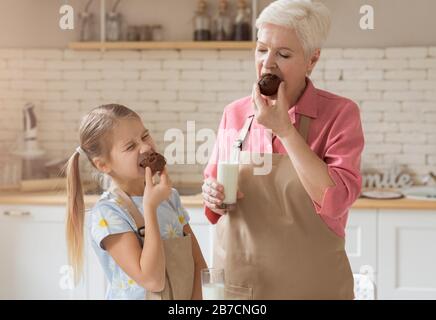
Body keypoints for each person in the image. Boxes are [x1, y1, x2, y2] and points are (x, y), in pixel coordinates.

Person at [202, 0, 364, 299]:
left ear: (312, 60)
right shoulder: (235, 113)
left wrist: (285, 130)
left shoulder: (340, 114)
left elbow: (335, 200)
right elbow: (214, 201)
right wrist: (212, 196)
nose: (268, 63)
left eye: (284, 54)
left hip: (314, 288)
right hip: (242, 289)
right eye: (262, 49)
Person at [65, 104, 207, 300]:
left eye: (145, 135)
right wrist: (150, 207)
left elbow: (199, 267)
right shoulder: (109, 212)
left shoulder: (170, 197)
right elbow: (152, 280)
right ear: (103, 164)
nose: (147, 147)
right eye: (131, 146)